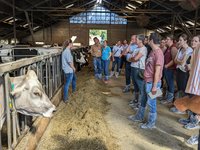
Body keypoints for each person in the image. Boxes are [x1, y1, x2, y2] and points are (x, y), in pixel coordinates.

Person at [128, 32, 164, 129]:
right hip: (146, 80)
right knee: (143, 99)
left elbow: (157, 71)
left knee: (152, 103)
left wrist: (154, 86)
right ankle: (139, 116)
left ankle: (151, 123)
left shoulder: (159, 53)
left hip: (152, 82)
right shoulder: (152, 51)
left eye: (148, 40)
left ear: (151, 40)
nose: (146, 41)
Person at [174, 35, 200, 146]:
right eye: (192, 40)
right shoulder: (194, 53)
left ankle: (194, 123)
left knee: (195, 105)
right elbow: (180, 62)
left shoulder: (195, 53)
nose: (193, 42)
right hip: (192, 83)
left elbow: (184, 63)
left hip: (196, 85)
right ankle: (191, 119)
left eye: (196, 41)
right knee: (191, 102)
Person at [170, 34, 193, 114]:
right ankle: (179, 106)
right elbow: (175, 60)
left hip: (184, 72)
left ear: (186, 41)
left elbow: (182, 62)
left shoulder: (189, 50)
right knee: (179, 89)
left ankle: (183, 108)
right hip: (179, 70)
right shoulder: (180, 49)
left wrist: (179, 61)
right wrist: (179, 61)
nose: (179, 42)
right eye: (179, 40)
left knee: (183, 89)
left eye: (181, 40)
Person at [128, 35, 147, 110]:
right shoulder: (136, 48)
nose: (135, 40)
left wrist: (133, 58)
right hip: (133, 67)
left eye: (137, 39)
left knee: (141, 86)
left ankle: (141, 104)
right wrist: (133, 58)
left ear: (140, 41)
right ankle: (136, 100)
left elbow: (135, 58)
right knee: (135, 86)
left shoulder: (143, 49)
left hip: (139, 69)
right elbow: (130, 59)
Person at [161, 34, 178, 104]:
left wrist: (167, 65)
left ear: (171, 40)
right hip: (167, 68)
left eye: (167, 39)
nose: (166, 40)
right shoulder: (168, 47)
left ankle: (170, 99)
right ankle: (167, 97)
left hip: (170, 69)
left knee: (170, 83)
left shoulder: (173, 48)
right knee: (168, 83)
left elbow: (174, 60)